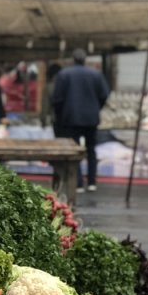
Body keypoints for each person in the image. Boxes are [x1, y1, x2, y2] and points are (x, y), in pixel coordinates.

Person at [52, 49, 110, 192]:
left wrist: (61, 115)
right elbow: (104, 94)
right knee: (91, 150)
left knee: (74, 151)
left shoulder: (64, 74)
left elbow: (57, 98)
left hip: (71, 117)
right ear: (85, 59)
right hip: (91, 118)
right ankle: (92, 181)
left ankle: (77, 182)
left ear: (73, 59)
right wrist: (96, 107)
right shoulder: (96, 75)